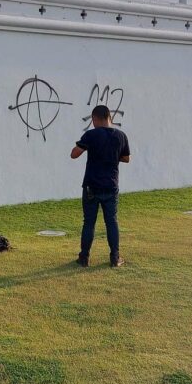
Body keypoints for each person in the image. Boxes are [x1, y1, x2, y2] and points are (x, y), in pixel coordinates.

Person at [70, 105, 130, 267]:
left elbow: (74, 154)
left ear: (95, 118)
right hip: (111, 185)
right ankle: (115, 257)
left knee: (89, 222)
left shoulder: (91, 135)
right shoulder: (121, 135)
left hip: (91, 185)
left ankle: (84, 258)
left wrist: (87, 147)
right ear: (110, 117)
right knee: (111, 221)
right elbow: (126, 158)